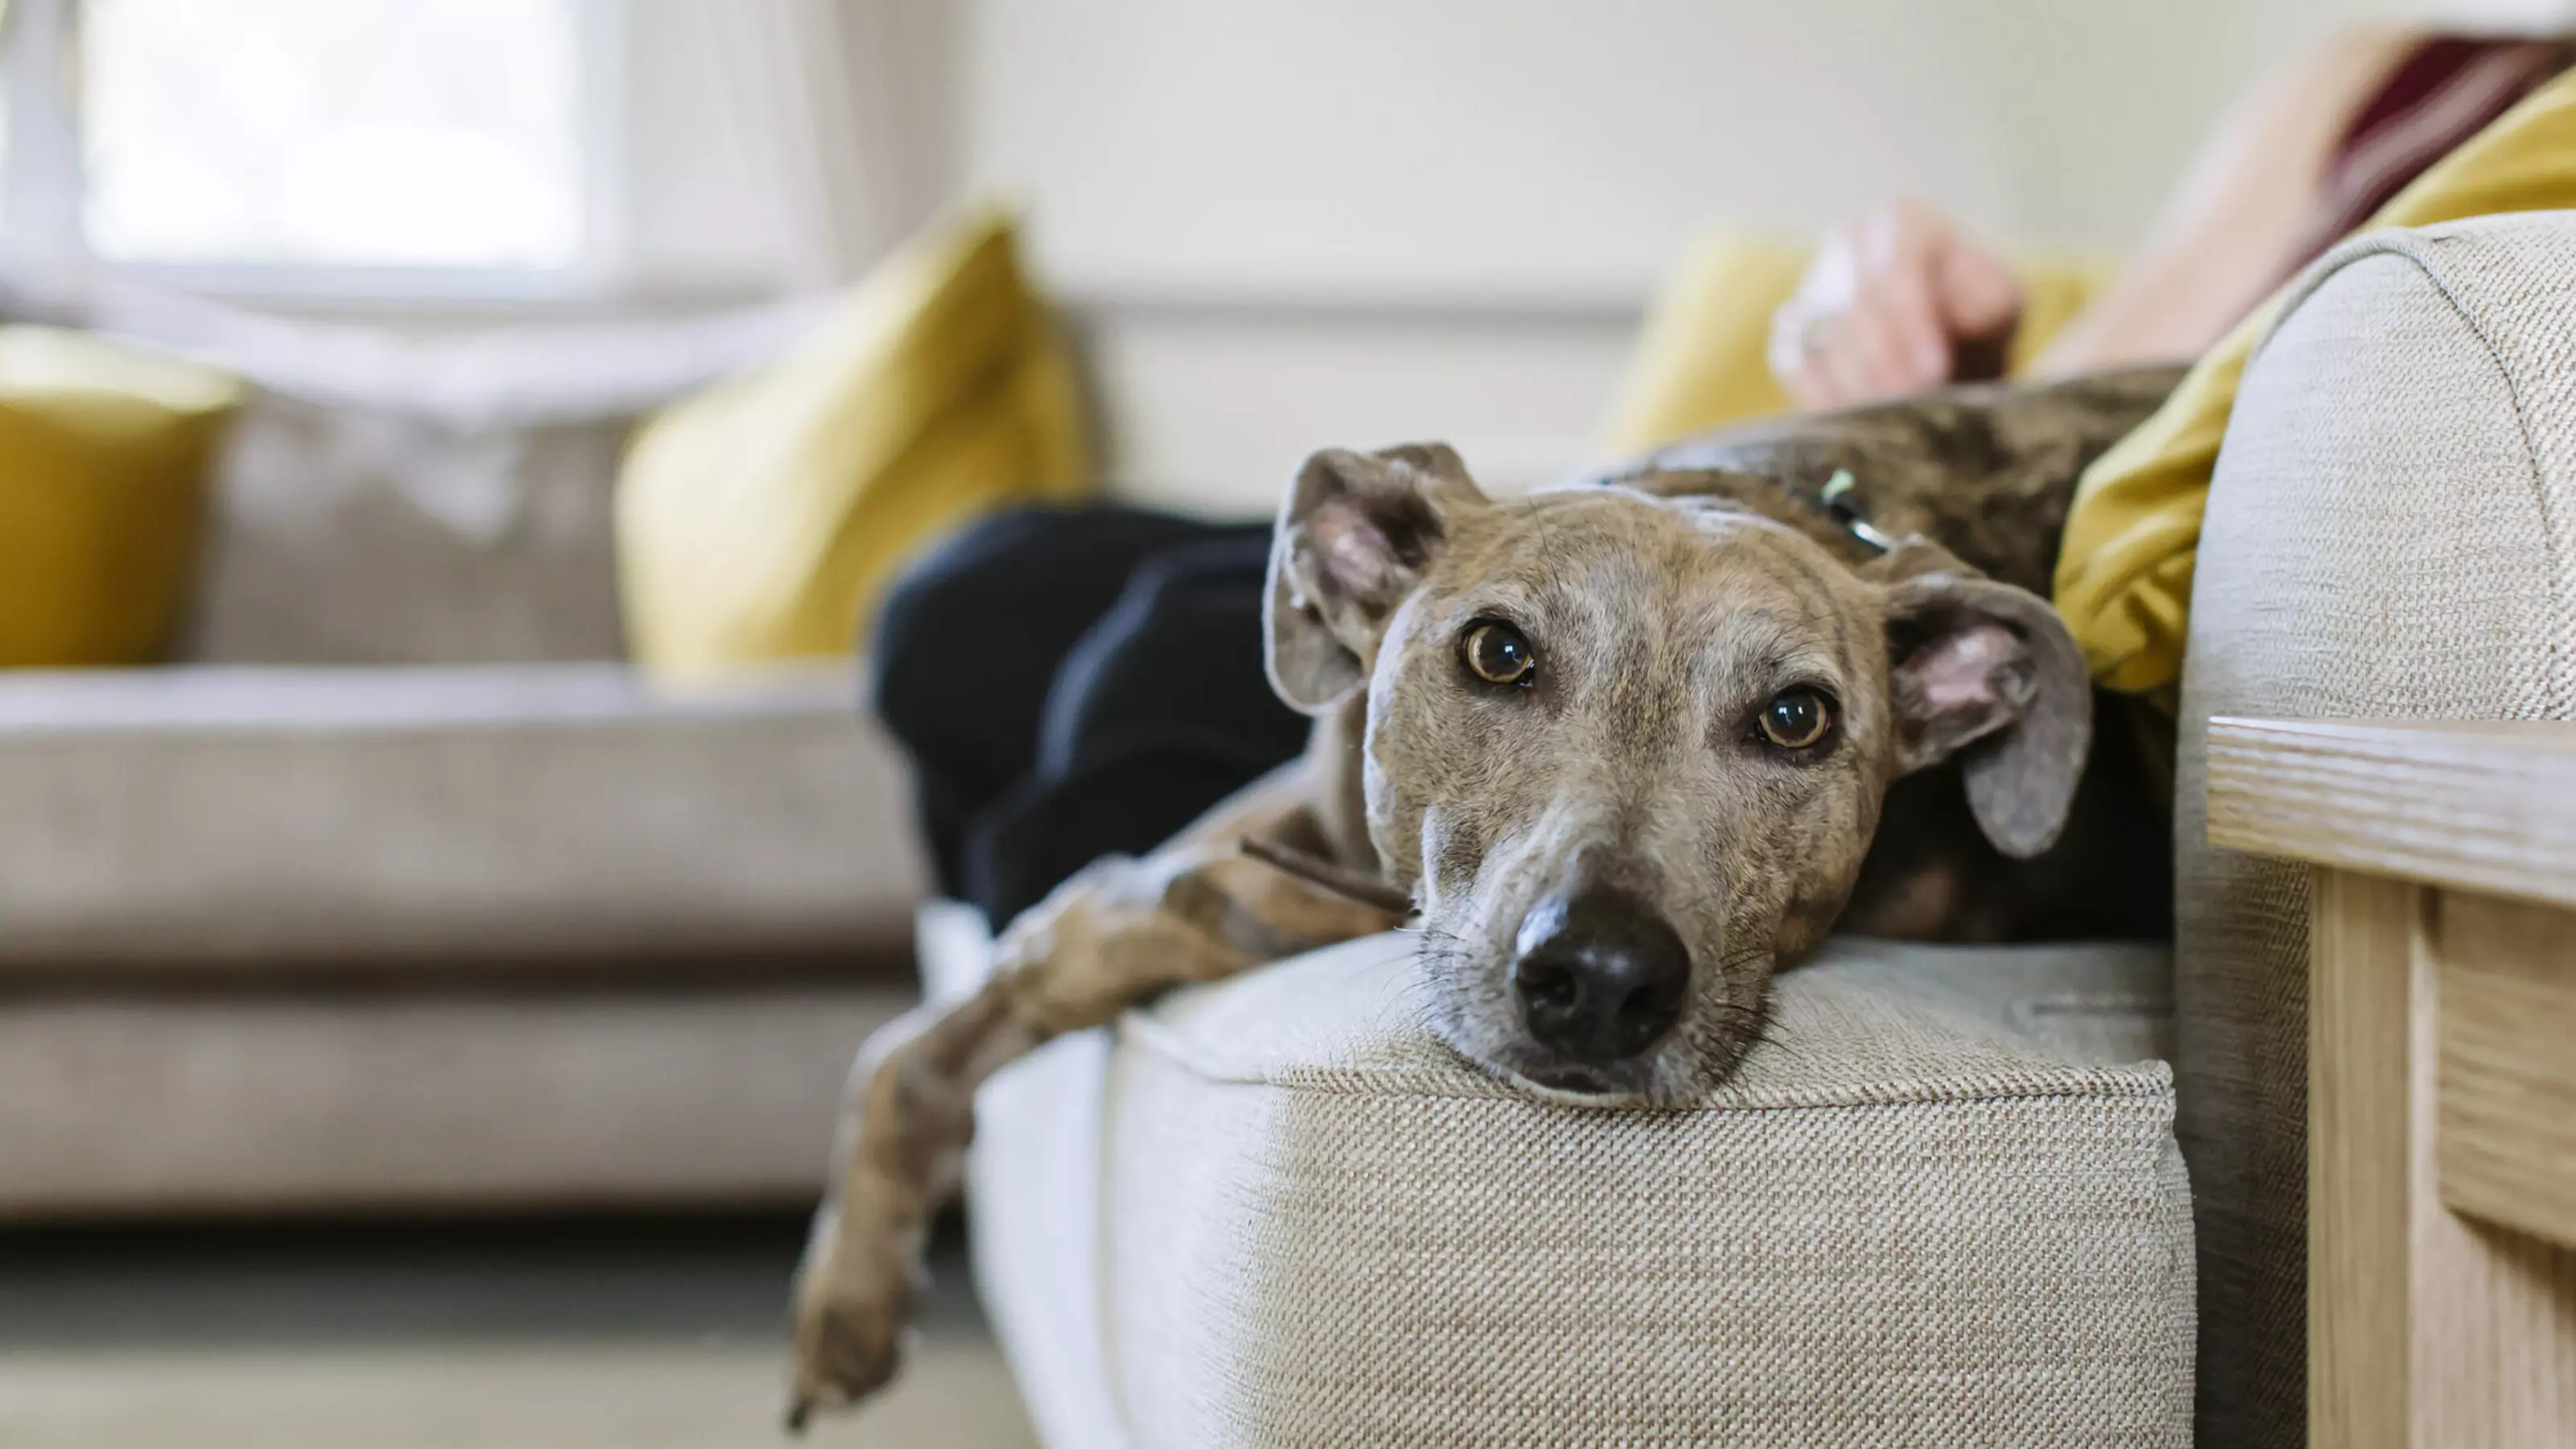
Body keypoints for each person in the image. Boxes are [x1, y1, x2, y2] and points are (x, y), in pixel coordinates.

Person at [870, 27, 2568, 926]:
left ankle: (1087, 865)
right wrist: (1924, 331)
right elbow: (2089, 393)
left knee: (1122, 678)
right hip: (1735, 514)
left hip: (1780, 614)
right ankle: (1086, 858)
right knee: (964, 597)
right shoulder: (2370, 81)